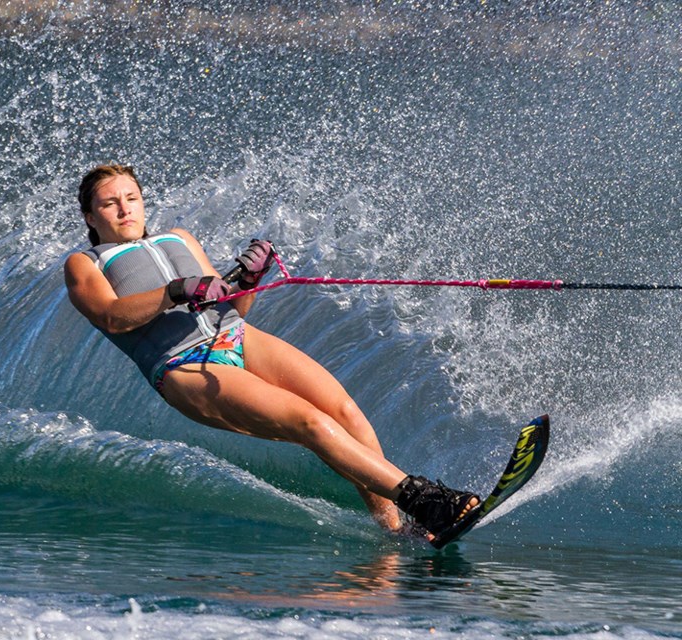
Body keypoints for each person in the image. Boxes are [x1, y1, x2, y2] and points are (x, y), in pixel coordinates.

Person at [63, 164, 479, 540]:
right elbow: (112, 316)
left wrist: (247, 278)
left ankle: (398, 530)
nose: (125, 210)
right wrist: (174, 291)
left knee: (346, 414)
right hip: (184, 364)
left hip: (236, 335)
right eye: (110, 204)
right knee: (309, 423)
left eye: (132, 198)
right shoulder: (85, 263)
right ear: (90, 216)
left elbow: (231, 307)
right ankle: (426, 501)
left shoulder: (179, 238)